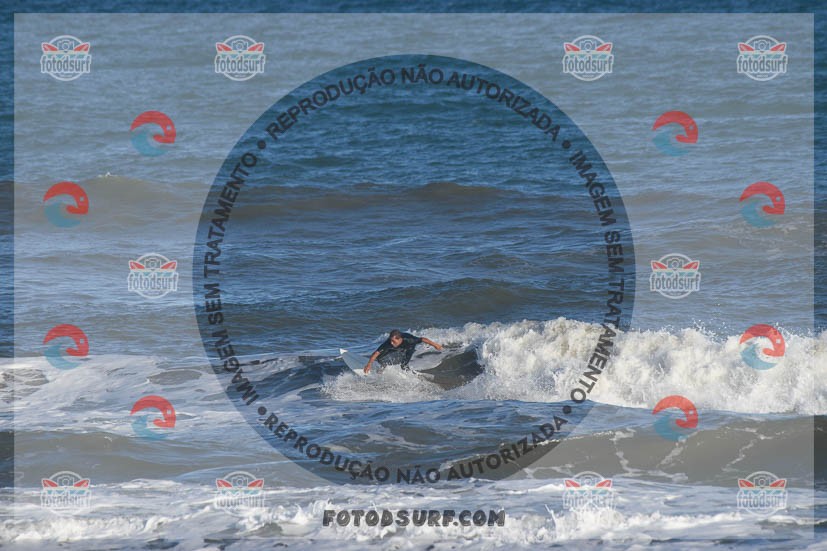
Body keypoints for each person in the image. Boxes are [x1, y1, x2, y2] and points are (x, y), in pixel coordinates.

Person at [364, 329, 443, 374]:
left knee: (403, 365)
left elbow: (423, 339)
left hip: (409, 347)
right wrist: (369, 364)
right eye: (390, 340)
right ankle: (383, 366)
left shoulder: (409, 340)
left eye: (393, 341)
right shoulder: (389, 342)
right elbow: (376, 352)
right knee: (379, 357)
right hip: (398, 346)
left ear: (399, 339)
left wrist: (435, 345)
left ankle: (410, 374)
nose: (391, 343)